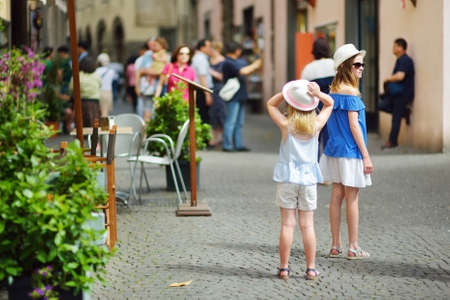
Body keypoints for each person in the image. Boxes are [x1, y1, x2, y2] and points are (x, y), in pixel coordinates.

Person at [267, 80, 334, 281]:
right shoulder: (316, 125)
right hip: (308, 180)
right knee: (308, 225)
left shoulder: (286, 125)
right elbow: (330, 104)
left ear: (292, 104)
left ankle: (284, 268)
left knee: (288, 224)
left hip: (287, 178)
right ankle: (311, 269)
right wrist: (318, 93)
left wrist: (286, 93)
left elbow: (270, 104)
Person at [319, 44, 374, 260]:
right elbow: (354, 126)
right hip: (350, 151)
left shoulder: (334, 89)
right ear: (345, 66)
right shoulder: (351, 92)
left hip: (334, 149)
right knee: (352, 198)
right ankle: (353, 247)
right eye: (357, 64)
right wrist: (366, 154)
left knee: (336, 196)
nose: (362, 68)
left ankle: (335, 245)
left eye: (363, 64)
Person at [221, 41, 262, 152]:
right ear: (237, 50)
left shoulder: (236, 61)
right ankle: (227, 145)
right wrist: (255, 65)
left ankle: (238, 144)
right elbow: (243, 71)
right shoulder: (228, 63)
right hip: (233, 97)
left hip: (240, 95)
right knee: (231, 121)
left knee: (239, 123)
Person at [301, 38, 335, 161]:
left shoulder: (308, 68)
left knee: (314, 138)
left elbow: (303, 90)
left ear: (314, 51)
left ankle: (314, 170)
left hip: (314, 106)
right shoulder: (334, 64)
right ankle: (329, 172)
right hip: (332, 104)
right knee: (330, 137)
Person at [381, 38, 415, 149]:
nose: (393, 48)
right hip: (396, 94)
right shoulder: (400, 60)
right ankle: (405, 112)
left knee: (396, 118)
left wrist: (387, 79)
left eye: (395, 46)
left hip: (403, 94)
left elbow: (400, 76)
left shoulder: (405, 60)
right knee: (382, 105)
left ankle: (392, 141)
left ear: (401, 48)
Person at [69, 56, 101, 127]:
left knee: (82, 124)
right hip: (95, 102)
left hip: (81, 102)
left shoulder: (77, 75)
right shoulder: (96, 75)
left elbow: (71, 88)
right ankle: (94, 137)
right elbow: (100, 85)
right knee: (94, 124)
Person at [208, 41, 226, 148]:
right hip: (210, 88)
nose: (210, 51)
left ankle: (223, 138)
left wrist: (209, 71)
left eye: (212, 49)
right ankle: (214, 138)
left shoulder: (223, 61)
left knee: (221, 112)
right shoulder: (208, 60)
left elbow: (221, 76)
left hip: (219, 89)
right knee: (212, 113)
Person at [135, 38, 158, 121]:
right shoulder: (142, 59)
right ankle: (147, 133)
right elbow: (137, 73)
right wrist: (137, 87)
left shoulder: (160, 57)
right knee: (147, 112)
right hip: (147, 89)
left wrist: (145, 71)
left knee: (151, 112)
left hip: (156, 88)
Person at [191, 39, 213, 124]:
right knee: (204, 118)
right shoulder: (201, 59)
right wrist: (207, 94)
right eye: (209, 47)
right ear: (202, 48)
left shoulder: (199, 57)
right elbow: (202, 77)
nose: (210, 49)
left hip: (200, 90)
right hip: (202, 91)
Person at [96, 53, 116, 117]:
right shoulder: (111, 71)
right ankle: (105, 126)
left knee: (100, 113)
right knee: (106, 113)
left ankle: (102, 126)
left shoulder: (96, 71)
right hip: (108, 92)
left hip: (99, 92)